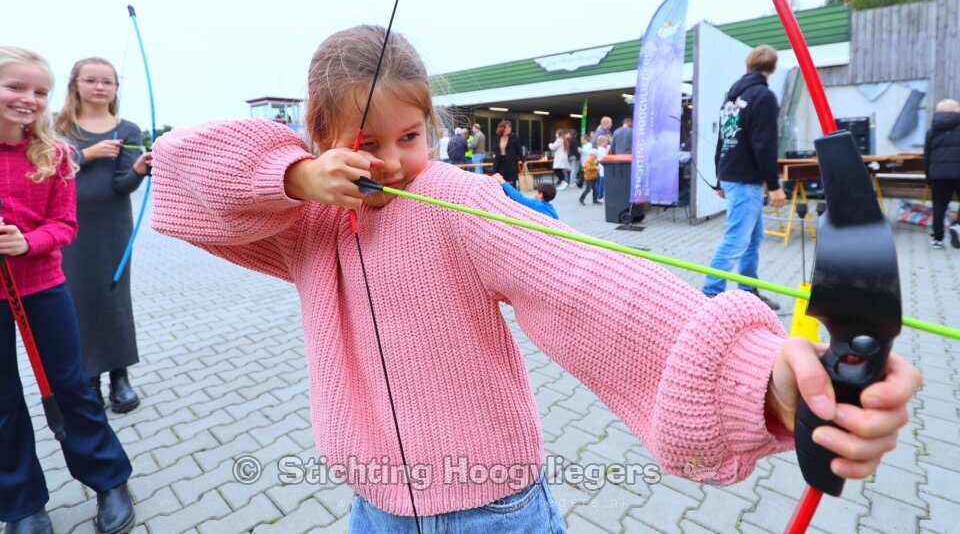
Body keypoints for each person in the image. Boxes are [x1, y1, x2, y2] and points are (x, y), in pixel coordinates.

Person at [148, 26, 920, 533]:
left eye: (409, 136)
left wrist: (764, 381)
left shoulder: (454, 198)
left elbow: (591, 286)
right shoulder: (304, 222)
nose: (391, 162)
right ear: (317, 139)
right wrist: (294, 177)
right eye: (363, 142)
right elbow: (183, 169)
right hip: (373, 505)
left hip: (491, 506)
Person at [0, 46, 135, 534]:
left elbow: (65, 225)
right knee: (2, 400)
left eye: (40, 91)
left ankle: (109, 479)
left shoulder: (53, 153)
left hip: (41, 286)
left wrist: (26, 243)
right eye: (15, 86)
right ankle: (21, 504)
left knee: (72, 387)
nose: (28, 99)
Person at [55, 57, 147, 413]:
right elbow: (45, 169)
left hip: (112, 226)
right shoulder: (57, 127)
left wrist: (138, 170)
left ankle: (119, 377)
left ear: (116, 89)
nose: (99, 87)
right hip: (67, 226)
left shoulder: (128, 130)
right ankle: (88, 379)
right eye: (91, 80)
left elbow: (122, 185)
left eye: (107, 81)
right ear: (75, 84)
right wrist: (87, 154)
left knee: (114, 297)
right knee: (76, 299)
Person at [702, 45, 787, 311]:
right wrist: (774, 186)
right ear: (773, 69)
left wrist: (719, 178)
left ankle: (748, 291)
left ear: (747, 67)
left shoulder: (731, 99)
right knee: (737, 239)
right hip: (746, 179)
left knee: (753, 238)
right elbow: (765, 145)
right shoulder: (763, 97)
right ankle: (708, 297)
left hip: (732, 173)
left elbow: (722, 140)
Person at [924, 98, 960, 249]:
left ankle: (938, 239)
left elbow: (927, 156)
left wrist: (929, 177)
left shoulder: (932, 131)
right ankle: (957, 226)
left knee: (939, 206)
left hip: (938, 174)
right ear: (957, 110)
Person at [492, 173, 558, 219]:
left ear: (540, 195)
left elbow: (519, 198)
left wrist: (502, 181)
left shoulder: (536, 204)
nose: (535, 194)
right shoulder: (551, 209)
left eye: (536, 192)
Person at [492, 119, 524, 187]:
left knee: (511, 183)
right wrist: (494, 154)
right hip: (500, 162)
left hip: (511, 163)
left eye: (510, 127)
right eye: (508, 127)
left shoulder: (513, 137)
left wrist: (523, 160)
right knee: (501, 183)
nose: (510, 129)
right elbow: (495, 149)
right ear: (502, 128)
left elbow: (519, 149)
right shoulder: (497, 138)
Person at [595, 134, 610, 201]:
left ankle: (601, 196)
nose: (606, 143)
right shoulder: (600, 149)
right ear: (601, 142)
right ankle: (600, 196)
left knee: (603, 182)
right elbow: (605, 157)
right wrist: (608, 150)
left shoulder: (603, 148)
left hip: (603, 167)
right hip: (602, 168)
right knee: (602, 183)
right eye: (605, 141)